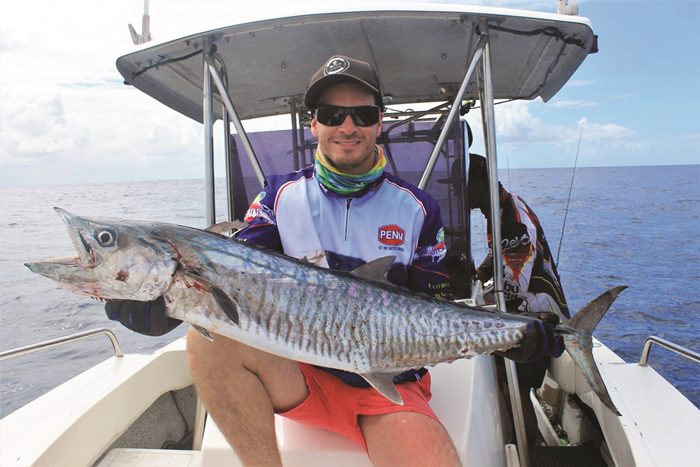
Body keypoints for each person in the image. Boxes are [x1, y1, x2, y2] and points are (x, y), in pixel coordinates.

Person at [105, 55, 560, 465]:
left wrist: (507, 333)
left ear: (379, 123)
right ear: (313, 124)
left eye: (362, 114)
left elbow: (432, 298)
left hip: (389, 380)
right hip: (301, 372)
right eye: (331, 114)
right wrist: (173, 301)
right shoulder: (276, 197)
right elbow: (239, 271)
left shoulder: (418, 208)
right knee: (207, 340)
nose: (347, 126)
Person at [466, 152, 568, 440]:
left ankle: (528, 446)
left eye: (464, 185)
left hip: (535, 320)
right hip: (530, 314)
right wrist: (479, 276)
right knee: (511, 386)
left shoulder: (510, 219)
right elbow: (499, 253)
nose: (460, 193)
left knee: (515, 390)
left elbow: (515, 282)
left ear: (478, 185)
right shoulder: (502, 208)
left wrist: (475, 305)